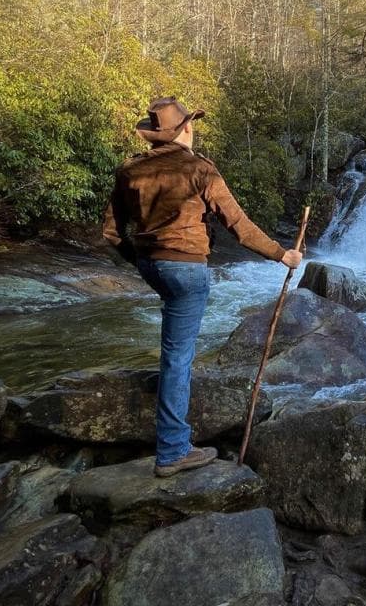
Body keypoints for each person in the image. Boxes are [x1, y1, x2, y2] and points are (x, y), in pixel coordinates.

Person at [102, 96, 302, 477]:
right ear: (187, 128)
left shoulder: (130, 171)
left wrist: (141, 260)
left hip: (152, 265)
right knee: (178, 358)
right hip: (187, 269)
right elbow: (239, 226)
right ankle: (174, 451)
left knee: (173, 350)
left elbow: (110, 233)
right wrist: (282, 255)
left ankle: (172, 438)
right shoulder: (200, 169)